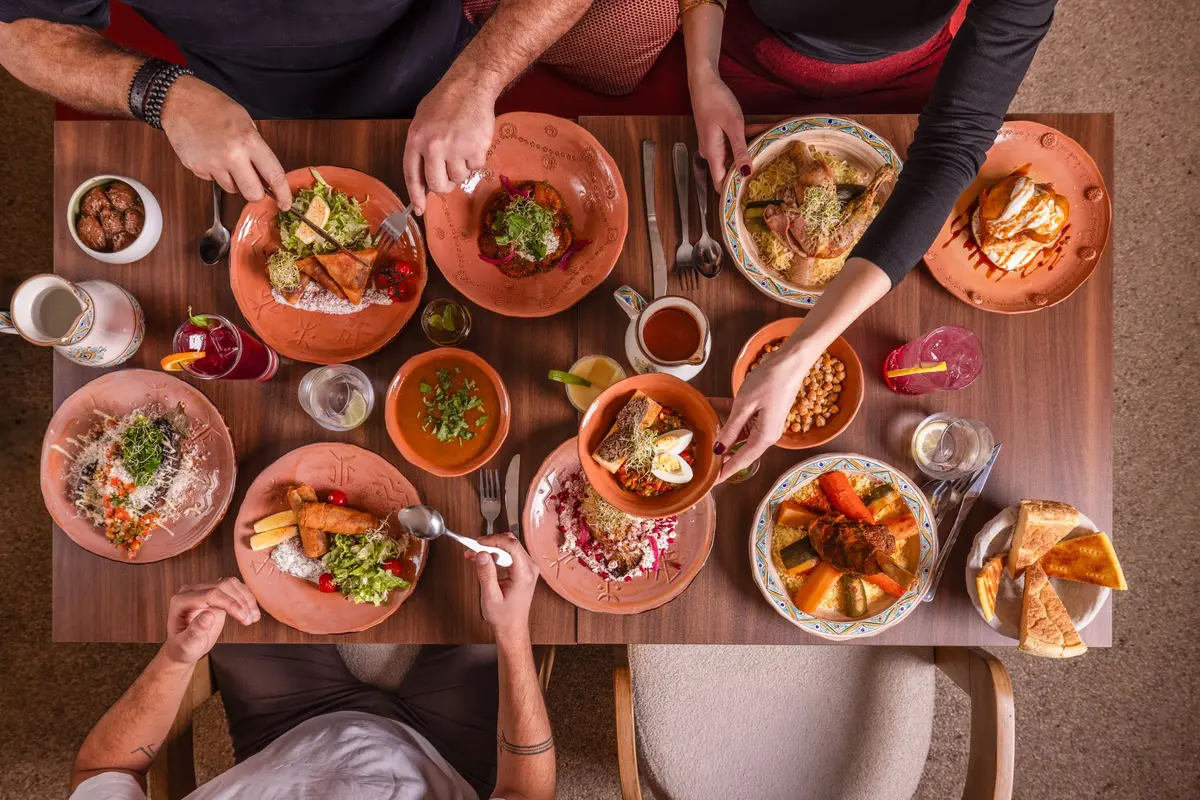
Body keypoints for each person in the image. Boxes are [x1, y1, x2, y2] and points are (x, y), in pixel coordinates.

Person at [678, 0, 1057, 479]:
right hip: (742, 58)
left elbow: (953, 143)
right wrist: (702, 75)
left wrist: (800, 353)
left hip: (911, 78)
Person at [68, 535, 553, 800]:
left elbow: (102, 769)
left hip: (281, 735)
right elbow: (524, 794)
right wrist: (512, 633)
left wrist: (177, 655)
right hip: (447, 757)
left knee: (242, 572)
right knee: (497, 579)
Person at [0, 0, 590, 214]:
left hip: (435, 88)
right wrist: (163, 95)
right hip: (225, 119)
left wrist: (478, 80)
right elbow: (20, 32)